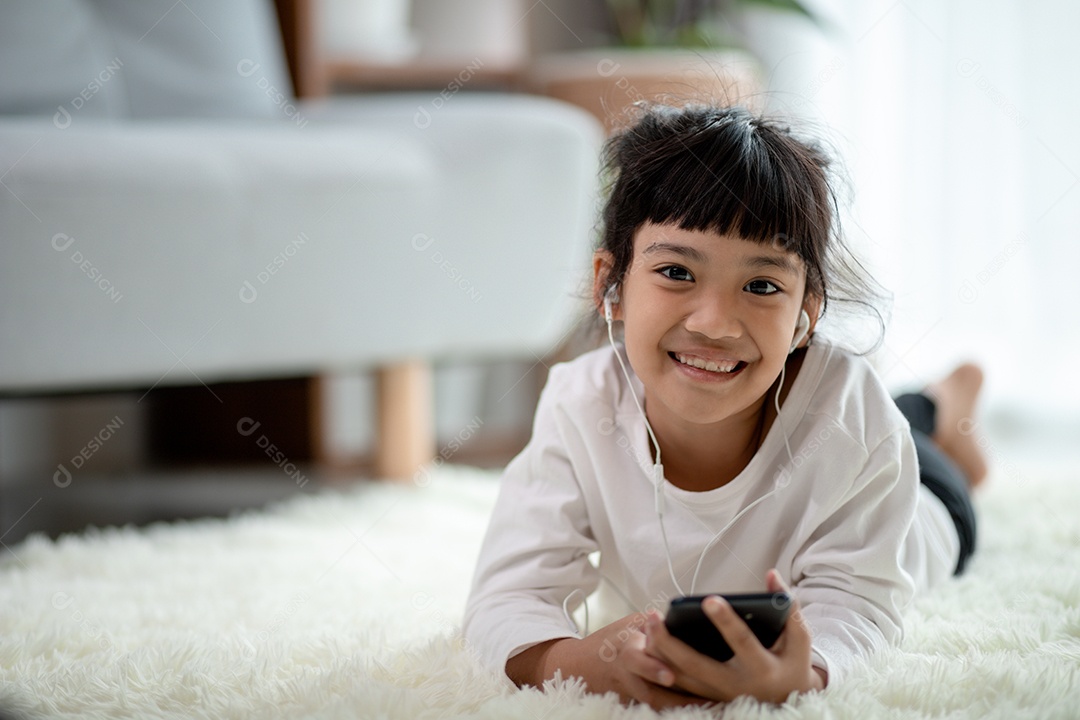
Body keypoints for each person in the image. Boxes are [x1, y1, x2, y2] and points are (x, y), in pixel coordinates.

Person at [462, 103, 984, 710]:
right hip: (854, 433)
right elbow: (506, 595)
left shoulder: (851, 414)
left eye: (762, 286)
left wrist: (805, 676)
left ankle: (952, 405)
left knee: (937, 455)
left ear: (805, 316)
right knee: (906, 422)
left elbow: (858, 603)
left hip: (920, 505)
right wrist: (573, 662)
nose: (713, 324)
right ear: (612, 285)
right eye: (676, 271)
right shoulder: (581, 404)